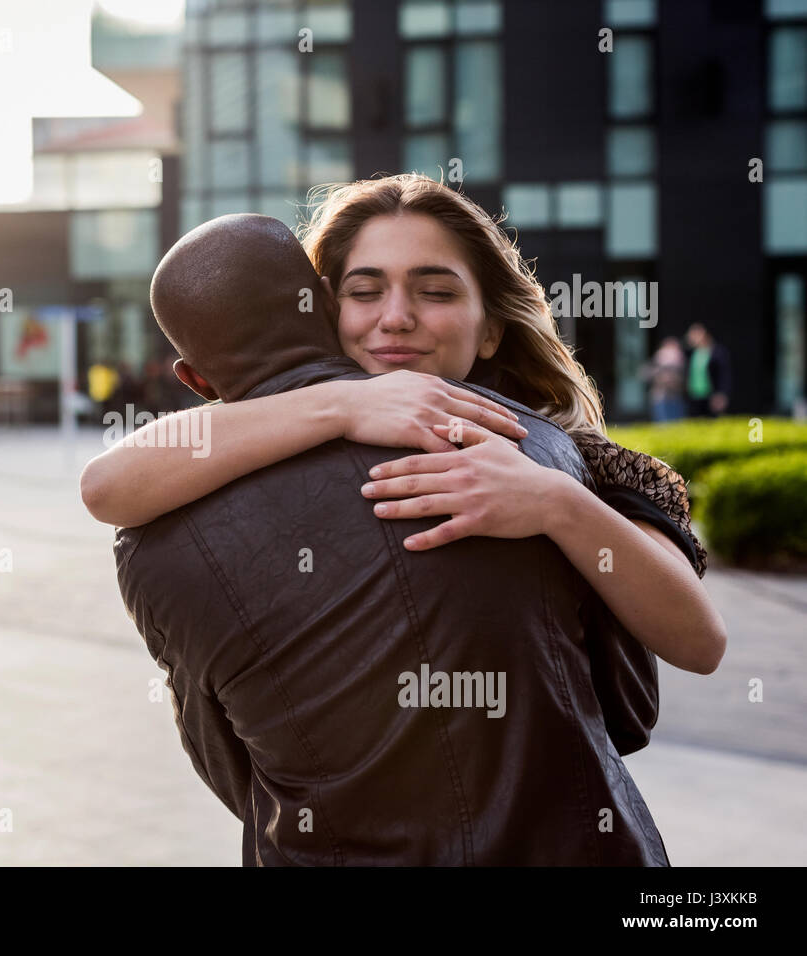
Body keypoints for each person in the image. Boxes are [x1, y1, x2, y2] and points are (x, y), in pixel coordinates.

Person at [86, 193, 726, 865]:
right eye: (366, 291)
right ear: (323, 309)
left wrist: (556, 505)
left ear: (490, 327)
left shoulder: (558, 452)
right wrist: (345, 404)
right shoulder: (534, 442)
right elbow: (624, 710)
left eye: (437, 290)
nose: (396, 317)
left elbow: (696, 645)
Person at [685, 323, 733, 417]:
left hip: (711, 395)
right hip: (694, 395)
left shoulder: (717, 352)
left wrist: (722, 394)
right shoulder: (691, 353)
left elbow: (724, 375)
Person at [644, 337, 687, 422]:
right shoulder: (658, 360)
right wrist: (660, 378)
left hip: (675, 396)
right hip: (661, 397)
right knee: (663, 424)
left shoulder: (681, 361)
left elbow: (684, 378)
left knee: (677, 424)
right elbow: (645, 374)